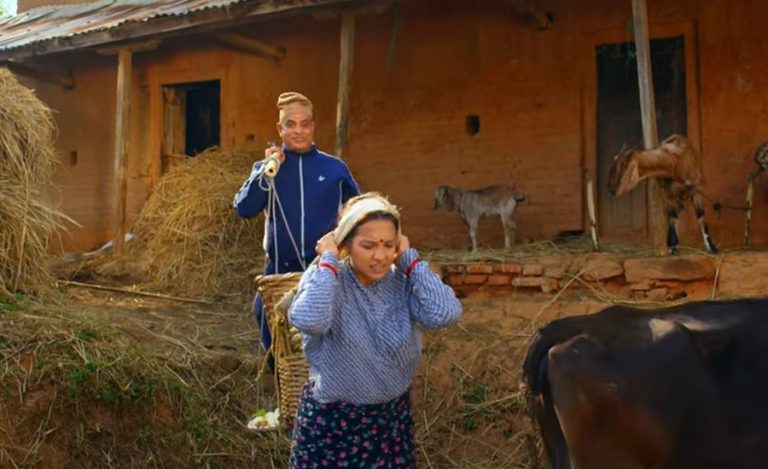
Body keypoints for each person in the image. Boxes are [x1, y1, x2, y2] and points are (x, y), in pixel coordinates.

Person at [287, 192, 462, 467]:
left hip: (390, 423)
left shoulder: (402, 281)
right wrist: (330, 259)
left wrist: (409, 259)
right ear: (346, 242)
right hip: (333, 426)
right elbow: (310, 320)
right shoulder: (328, 277)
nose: (380, 256)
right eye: (368, 245)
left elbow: (446, 313)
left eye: (389, 245)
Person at [233, 92, 360, 366]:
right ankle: (281, 387)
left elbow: (358, 214)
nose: (298, 131)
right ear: (280, 129)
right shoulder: (267, 168)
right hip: (278, 270)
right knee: (268, 323)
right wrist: (265, 173)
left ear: (313, 126)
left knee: (326, 336)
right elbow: (244, 209)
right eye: (291, 124)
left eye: (305, 124)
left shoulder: (335, 169)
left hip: (322, 269)